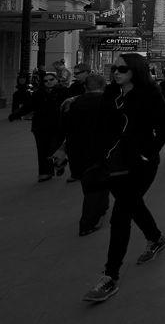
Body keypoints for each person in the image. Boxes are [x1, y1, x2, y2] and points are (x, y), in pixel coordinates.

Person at [82, 53, 165, 302]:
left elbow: (163, 129)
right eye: (114, 68)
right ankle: (156, 238)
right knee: (133, 205)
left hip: (140, 165)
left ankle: (110, 277)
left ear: (136, 70)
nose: (116, 73)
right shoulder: (110, 93)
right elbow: (100, 126)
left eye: (122, 69)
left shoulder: (152, 94)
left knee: (121, 215)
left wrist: (146, 154)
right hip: (114, 163)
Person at [54, 73, 110, 236]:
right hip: (101, 149)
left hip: (77, 149)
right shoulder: (108, 103)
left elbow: (61, 129)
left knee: (91, 181)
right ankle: (89, 223)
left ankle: (102, 206)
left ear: (85, 87)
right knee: (98, 183)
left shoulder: (70, 103)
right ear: (104, 85)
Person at [9, 68, 68, 181]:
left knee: (53, 147)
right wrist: (15, 114)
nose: (49, 82)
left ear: (56, 80)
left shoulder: (64, 92)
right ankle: (45, 173)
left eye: (51, 79)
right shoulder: (39, 93)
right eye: (46, 80)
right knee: (42, 150)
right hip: (40, 126)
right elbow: (28, 106)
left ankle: (60, 162)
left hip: (58, 126)